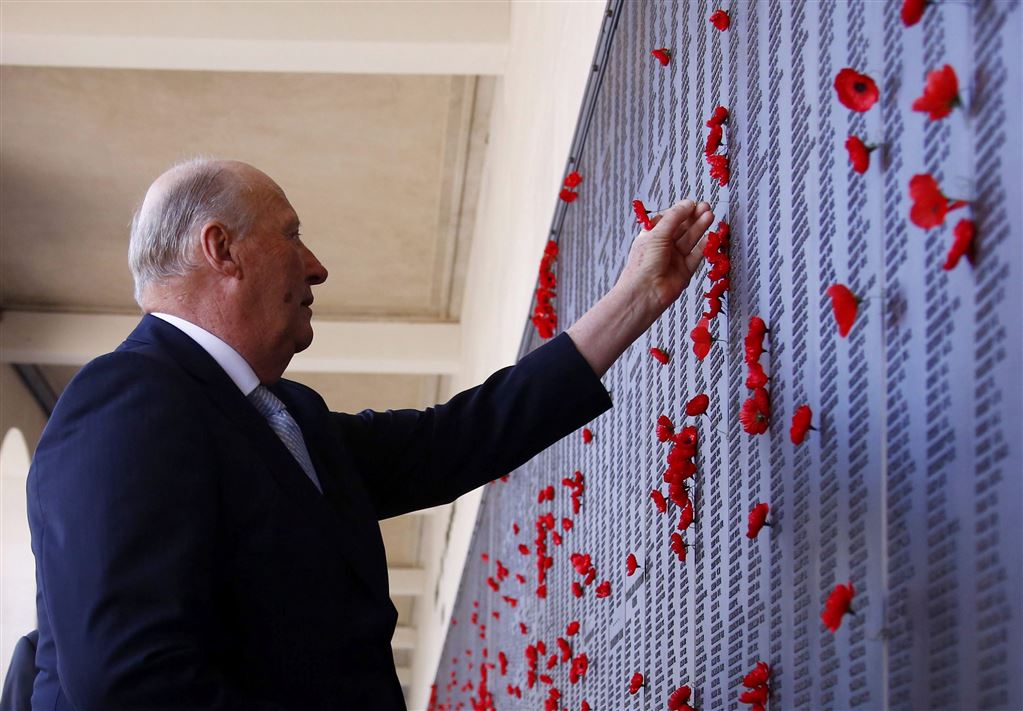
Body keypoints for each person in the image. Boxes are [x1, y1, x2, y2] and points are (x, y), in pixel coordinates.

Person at [26, 159, 714, 709]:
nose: (316, 266)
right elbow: (128, 681)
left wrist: (636, 297)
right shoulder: (126, 398)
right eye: (291, 234)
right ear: (222, 250)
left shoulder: (285, 415)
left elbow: (451, 442)